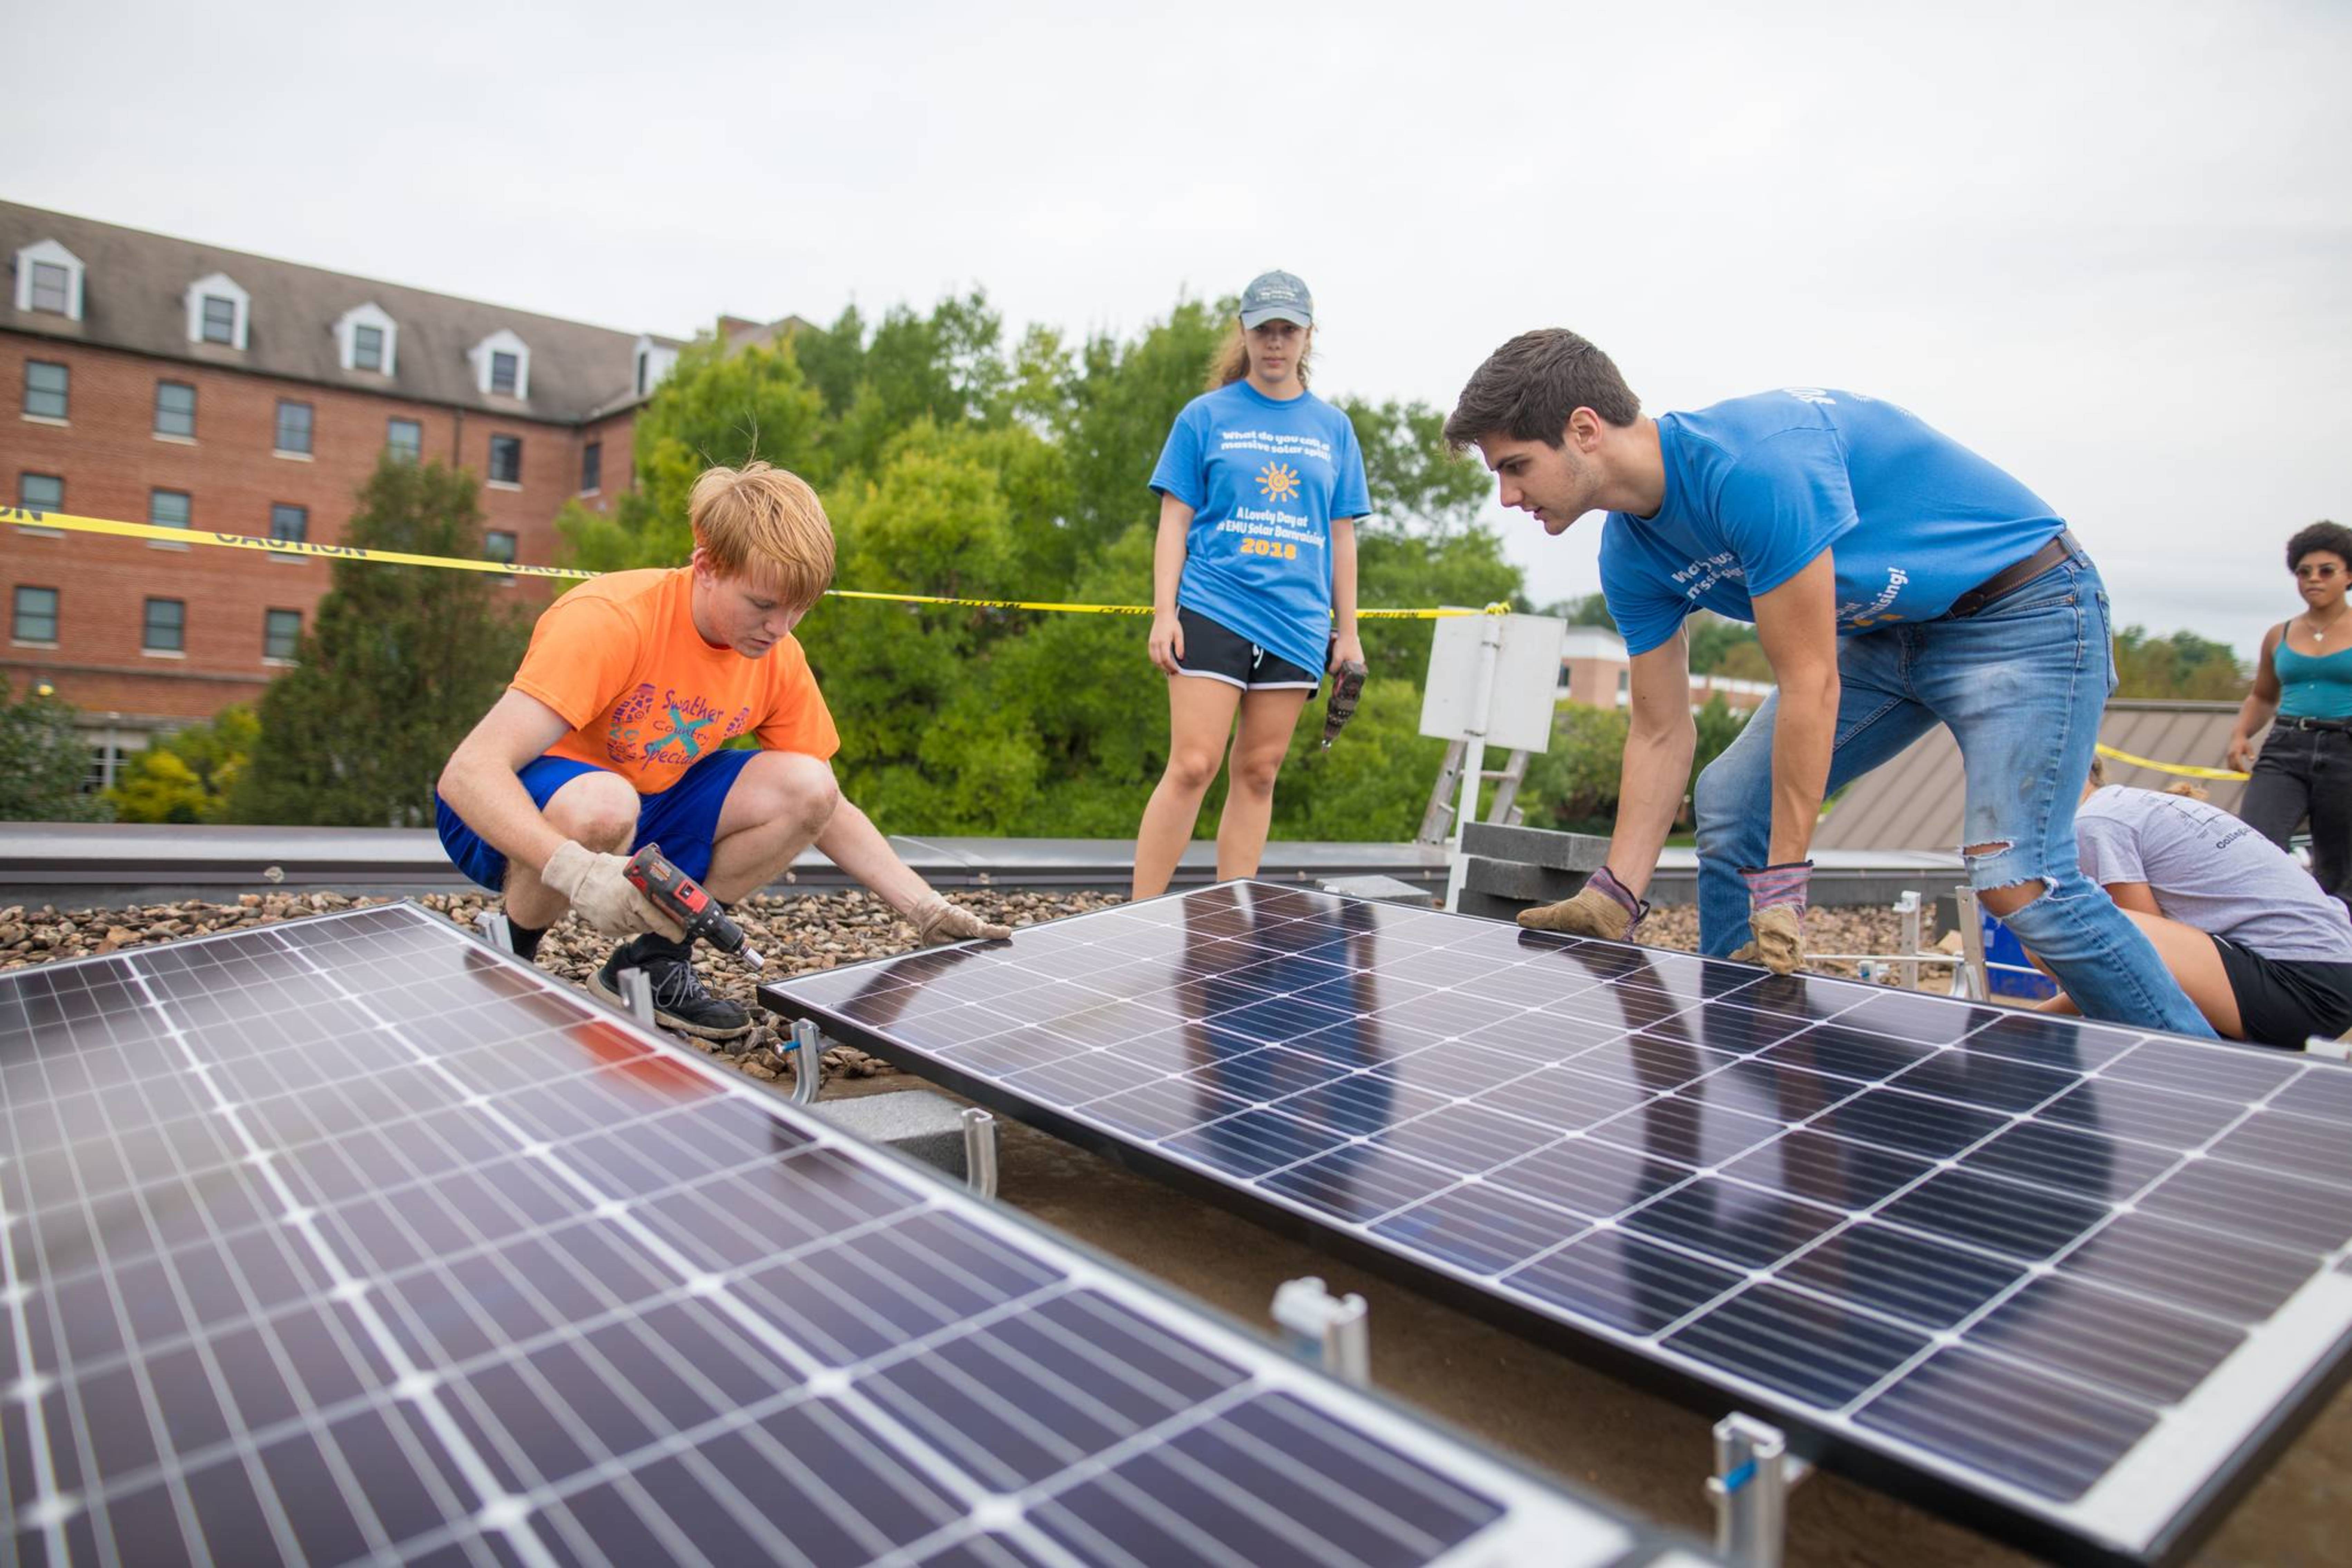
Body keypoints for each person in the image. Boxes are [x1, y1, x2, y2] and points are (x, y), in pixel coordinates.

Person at [1441, 330, 2211, 1037]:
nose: (1507, 496)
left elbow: (1809, 684)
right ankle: (1749, 1043)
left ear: (1582, 430)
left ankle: (2208, 1079)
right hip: (1884, 632)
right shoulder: (1630, 555)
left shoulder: (1753, 468)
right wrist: (1616, 893)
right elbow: (1658, 729)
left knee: (2016, 876)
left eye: (1514, 466)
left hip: (2021, 610)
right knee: (1729, 800)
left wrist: (1782, 887)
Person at [434, 461, 1008, 1041]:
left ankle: (653, 962)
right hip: (512, 818)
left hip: (645, 803)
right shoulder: (611, 621)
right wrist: (575, 870)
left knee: (806, 786)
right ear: (706, 566)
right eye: (763, 604)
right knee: (604, 805)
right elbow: (468, 774)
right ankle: (510, 948)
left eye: (798, 608)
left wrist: (925, 908)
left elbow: (824, 806)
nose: (780, 627)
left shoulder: (775, 655)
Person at [1130, 270, 1370, 899]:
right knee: (1193, 764)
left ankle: (1230, 917)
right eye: (1263, 328)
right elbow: (1173, 520)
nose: (1274, 342)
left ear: (1306, 336)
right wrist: (1164, 612)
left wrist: (1349, 634)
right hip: (1213, 605)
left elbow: (1341, 534)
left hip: (1296, 622)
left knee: (1259, 771)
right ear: (1243, 331)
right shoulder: (1203, 416)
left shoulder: (1333, 428)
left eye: (1287, 330)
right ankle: (1134, 917)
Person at [2033, 756, 2352, 1047]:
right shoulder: (2130, 804)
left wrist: (2033, 1020)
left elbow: (2136, 962)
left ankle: (2191, 1061)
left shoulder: (2095, 823)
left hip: (2300, 989)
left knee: (2054, 925)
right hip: (2331, 975)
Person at [2224, 520, 2352, 914]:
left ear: (2348, 576)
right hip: (2286, 747)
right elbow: (2263, 695)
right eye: (2304, 572)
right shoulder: (2278, 634)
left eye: (2326, 570)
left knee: (2338, 867)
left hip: (2345, 750)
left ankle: (2336, 954)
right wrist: (2241, 734)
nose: (2313, 579)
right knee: (2256, 843)